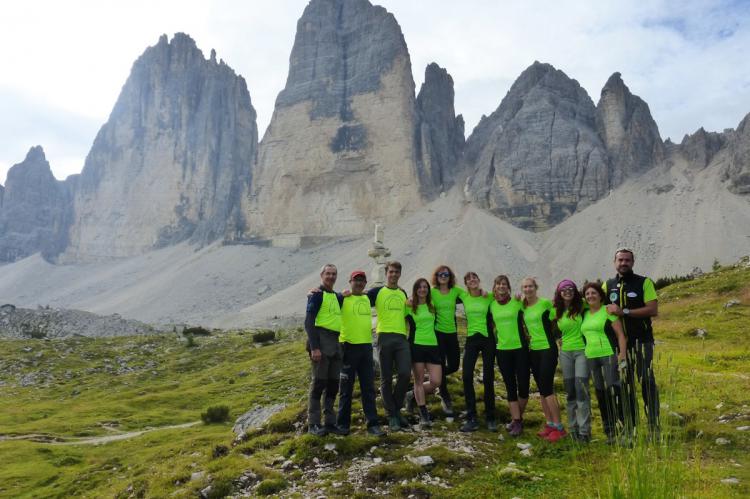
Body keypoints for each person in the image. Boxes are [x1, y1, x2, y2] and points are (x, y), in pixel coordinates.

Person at [603, 248, 660, 436]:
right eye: (620, 260)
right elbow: (595, 306)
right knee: (624, 385)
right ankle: (631, 426)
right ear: (614, 262)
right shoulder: (607, 285)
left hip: (642, 342)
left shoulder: (644, 283)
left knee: (646, 382)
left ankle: (654, 426)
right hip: (620, 347)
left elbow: (652, 309)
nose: (623, 263)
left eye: (627, 260)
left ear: (633, 262)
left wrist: (625, 312)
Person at [336, 270, 385, 437]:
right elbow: (325, 299)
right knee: (345, 390)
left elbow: (384, 289)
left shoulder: (366, 298)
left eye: (362, 280)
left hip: (365, 348)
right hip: (348, 348)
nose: (359, 283)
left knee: (368, 389)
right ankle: (342, 425)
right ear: (350, 281)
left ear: (365, 283)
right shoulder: (342, 299)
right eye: (356, 280)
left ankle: (373, 425)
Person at [366, 261, 411, 432]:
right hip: (384, 336)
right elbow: (360, 298)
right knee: (386, 378)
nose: (393, 274)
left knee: (405, 373)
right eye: (391, 272)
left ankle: (396, 409)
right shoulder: (377, 292)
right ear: (386, 273)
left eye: (396, 272)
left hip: (401, 337)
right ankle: (392, 415)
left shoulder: (403, 293)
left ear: (400, 274)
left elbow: (409, 313)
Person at [581, 282, 627, 444]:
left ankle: (623, 429)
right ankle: (609, 432)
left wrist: (622, 354)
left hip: (608, 355)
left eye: (594, 293)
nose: (590, 296)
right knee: (600, 394)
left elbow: (620, 335)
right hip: (591, 357)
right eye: (587, 294)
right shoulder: (584, 313)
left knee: (614, 391)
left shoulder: (608, 311)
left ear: (600, 295)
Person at [521, 277, 566, 442]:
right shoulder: (523, 306)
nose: (528, 289)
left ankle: (559, 427)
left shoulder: (545, 303)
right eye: (525, 287)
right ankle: (550, 424)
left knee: (547, 389)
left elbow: (559, 316)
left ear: (536, 287)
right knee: (541, 389)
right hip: (534, 351)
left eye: (530, 286)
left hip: (548, 349)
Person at [304, 264, 343, 436]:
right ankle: (313, 423)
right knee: (319, 383)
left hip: (335, 344)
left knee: (333, 384)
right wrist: (314, 347)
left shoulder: (337, 297)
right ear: (322, 275)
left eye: (334, 274)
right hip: (321, 341)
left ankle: (329, 422)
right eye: (328, 274)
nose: (331, 277)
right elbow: (309, 321)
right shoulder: (316, 295)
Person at [489, 275, 530, 437]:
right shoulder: (491, 305)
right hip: (502, 350)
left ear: (508, 287)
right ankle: (518, 422)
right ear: (495, 287)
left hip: (520, 349)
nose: (501, 286)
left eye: (504, 284)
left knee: (524, 387)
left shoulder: (517, 302)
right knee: (510, 387)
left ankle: (516, 418)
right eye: (499, 284)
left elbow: (532, 310)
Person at [553, 279, 591, 443]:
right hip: (565, 353)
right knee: (570, 393)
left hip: (582, 351)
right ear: (559, 293)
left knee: (581, 390)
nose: (567, 291)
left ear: (575, 291)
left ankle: (584, 432)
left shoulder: (583, 305)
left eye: (570, 289)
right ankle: (573, 429)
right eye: (564, 289)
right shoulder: (556, 310)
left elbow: (599, 303)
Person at [458, 272, 496, 432]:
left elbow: (503, 295)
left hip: (488, 340)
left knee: (488, 377)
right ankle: (471, 417)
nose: (472, 280)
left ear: (479, 281)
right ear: (466, 283)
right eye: (469, 279)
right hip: (471, 339)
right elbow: (445, 291)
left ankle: (491, 417)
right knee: (466, 375)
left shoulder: (489, 296)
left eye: (475, 278)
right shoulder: (463, 296)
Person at [404, 278, 442, 429]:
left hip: (433, 346)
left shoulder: (432, 305)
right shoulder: (409, 306)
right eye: (419, 287)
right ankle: (423, 414)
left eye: (425, 287)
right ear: (415, 289)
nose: (422, 289)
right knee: (418, 381)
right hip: (416, 346)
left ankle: (411, 395)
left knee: (436, 382)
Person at [429, 265, 464, 417]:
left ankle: (435, 378)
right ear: (436, 276)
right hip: (437, 334)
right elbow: (419, 299)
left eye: (446, 274)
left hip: (452, 333)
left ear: (450, 277)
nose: (443, 276)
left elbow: (470, 296)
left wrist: (482, 292)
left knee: (455, 365)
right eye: (440, 274)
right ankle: (444, 396)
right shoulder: (432, 292)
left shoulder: (455, 291)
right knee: (442, 364)